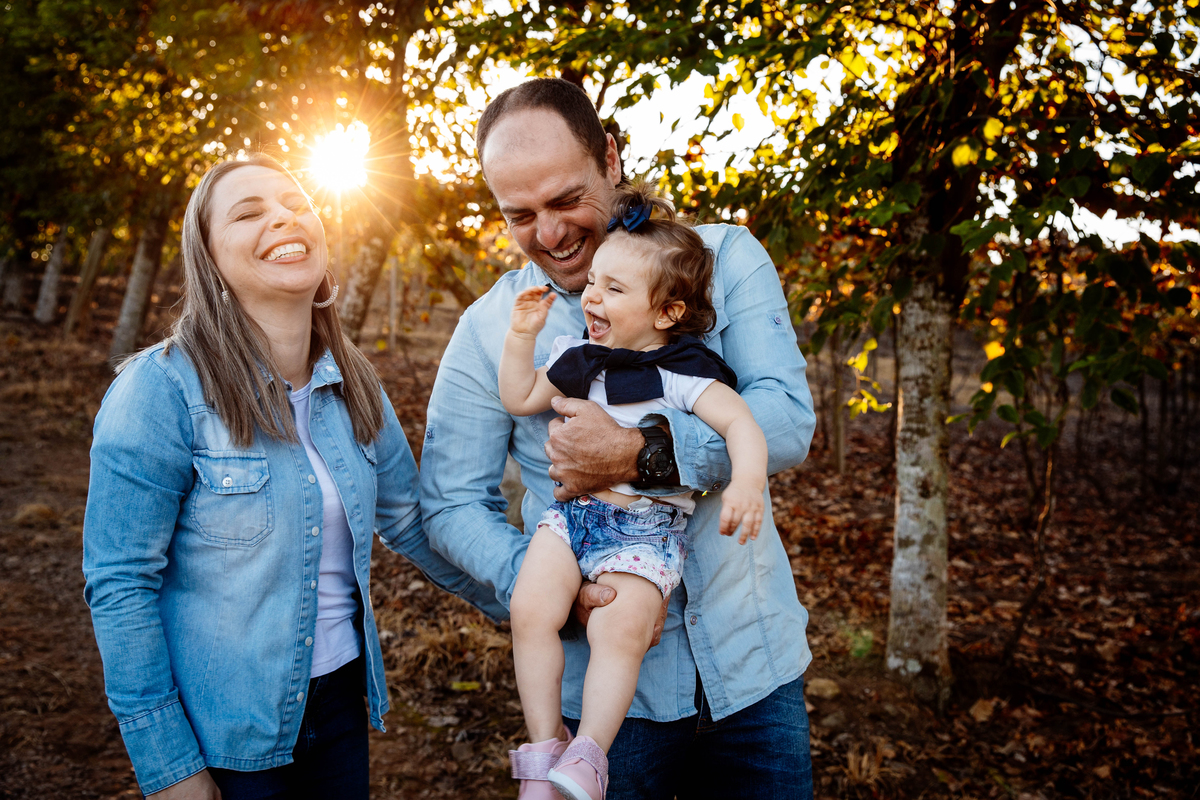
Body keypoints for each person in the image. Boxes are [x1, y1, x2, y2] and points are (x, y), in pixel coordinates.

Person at [420, 78, 816, 799]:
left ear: (610, 157)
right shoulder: (492, 329)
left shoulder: (721, 260)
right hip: (607, 703)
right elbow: (447, 503)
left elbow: (784, 419)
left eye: (567, 200)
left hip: (750, 670)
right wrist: (546, 589)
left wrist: (644, 455)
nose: (549, 234)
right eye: (520, 215)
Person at [82, 154, 502, 800]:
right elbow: (120, 584)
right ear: (211, 259)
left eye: (296, 203)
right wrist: (169, 766)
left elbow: (414, 521)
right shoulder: (160, 390)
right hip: (224, 734)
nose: (284, 217)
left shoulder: (353, 382)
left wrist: (528, 601)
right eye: (249, 213)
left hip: (340, 712)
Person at [498, 184, 769, 799]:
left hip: (643, 533)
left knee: (617, 632)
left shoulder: (684, 372)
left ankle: (590, 753)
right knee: (530, 609)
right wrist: (522, 337)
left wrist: (747, 481)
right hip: (571, 520)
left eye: (614, 289)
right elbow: (520, 398)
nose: (591, 296)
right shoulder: (581, 356)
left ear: (667, 312)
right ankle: (544, 749)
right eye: (594, 281)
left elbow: (741, 426)